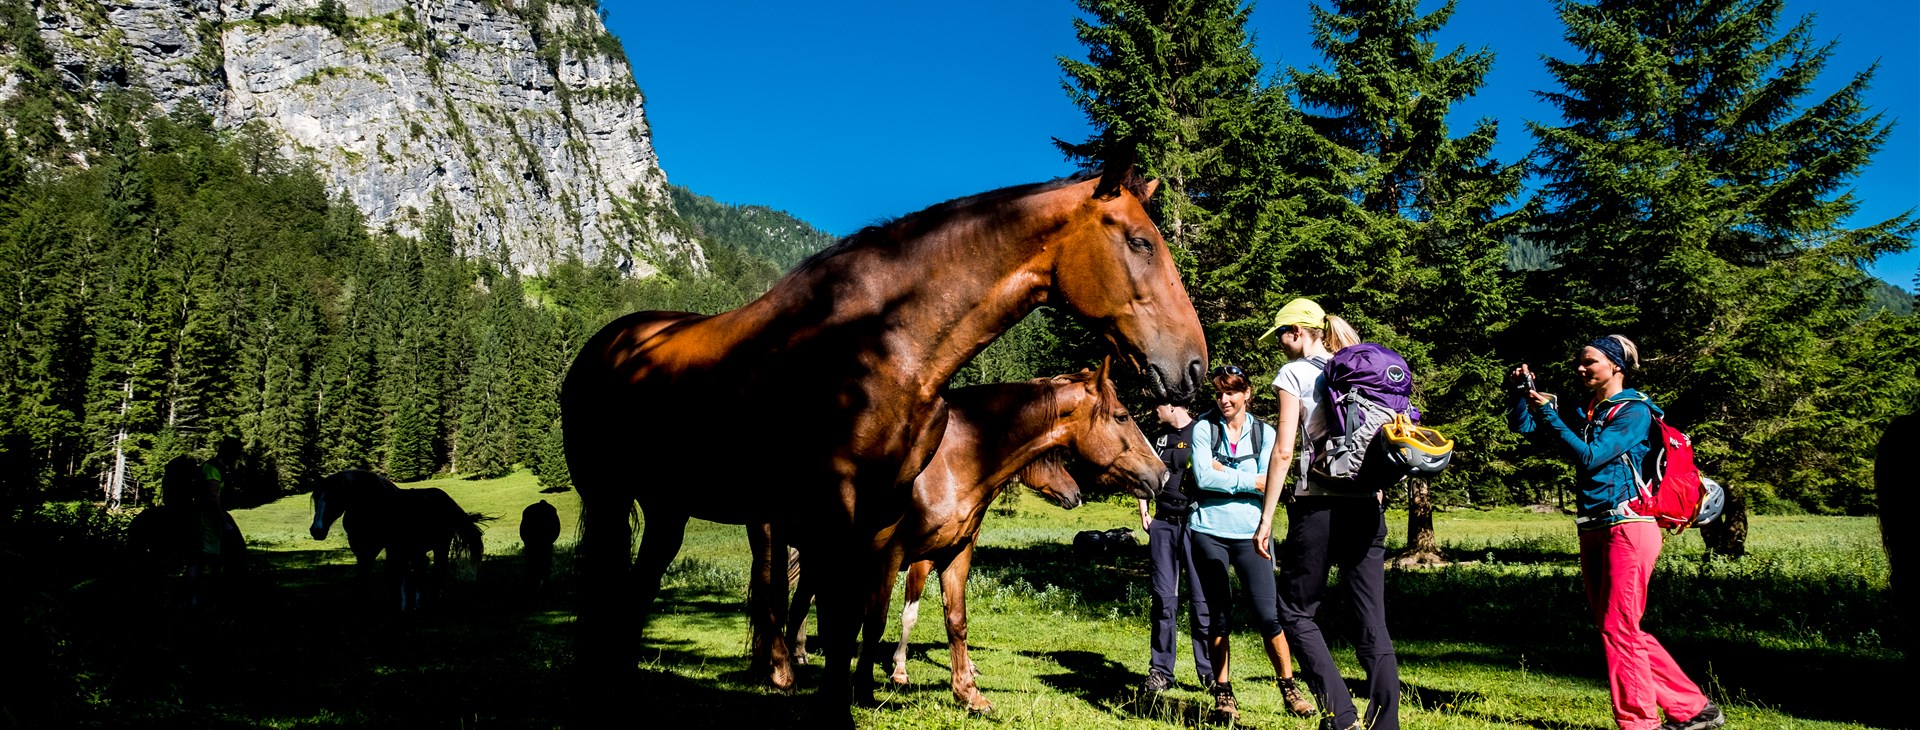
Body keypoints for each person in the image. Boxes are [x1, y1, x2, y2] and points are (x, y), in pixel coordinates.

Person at [1508, 335, 1725, 730]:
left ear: (1616, 367)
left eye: (1589, 361)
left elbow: (1590, 457)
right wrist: (1522, 395)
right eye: (1580, 361)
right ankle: (1694, 708)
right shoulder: (1586, 410)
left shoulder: (1634, 413)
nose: (1580, 368)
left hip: (1630, 526)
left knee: (1618, 626)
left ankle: (1639, 722)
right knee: (1619, 626)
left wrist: (1552, 416)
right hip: (1593, 526)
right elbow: (1524, 429)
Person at [1252, 297, 1400, 730]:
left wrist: (1266, 518)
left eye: (1280, 334)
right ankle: (1386, 723)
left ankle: (1342, 717)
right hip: (1367, 504)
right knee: (1372, 617)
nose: (1278, 344)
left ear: (1298, 332)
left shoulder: (1293, 374)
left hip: (1317, 504)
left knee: (1297, 612)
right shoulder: (1357, 370)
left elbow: (1283, 450)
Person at [1189, 365, 1315, 721]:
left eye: (1232, 392)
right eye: (1219, 393)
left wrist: (1223, 473)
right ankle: (1224, 694)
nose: (1224, 399)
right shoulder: (1203, 427)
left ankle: (1290, 688)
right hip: (1207, 532)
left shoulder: (1266, 433)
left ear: (1247, 394)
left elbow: (1269, 479)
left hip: (1251, 534)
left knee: (1267, 615)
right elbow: (1202, 475)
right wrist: (1247, 480)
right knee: (1219, 616)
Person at [1137, 400, 1214, 695]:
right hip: (1163, 525)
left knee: (1201, 601)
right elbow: (1142, 472)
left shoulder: (1203, 432)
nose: (1154, 408)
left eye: (1158, 403)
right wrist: (1143, 510)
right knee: (1163, 599)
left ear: (1173, 405)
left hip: (1195, 523)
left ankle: (1209, 673)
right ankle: (1160, 672)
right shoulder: (1157, 438)